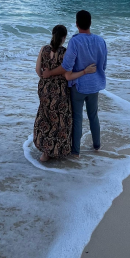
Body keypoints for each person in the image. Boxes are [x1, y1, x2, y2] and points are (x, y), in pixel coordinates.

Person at [42, 10, 107, 158]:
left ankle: (76, 152)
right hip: (94, 85)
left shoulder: (75, 41)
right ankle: (97, 146)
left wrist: (50, 73)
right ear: (90, 23)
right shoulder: (101, 41)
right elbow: (103, 66)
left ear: (76, 24)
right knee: (93, 116)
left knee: (77, 118)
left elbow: (66, 67)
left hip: (78, 86)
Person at [34, 25, 96, 162]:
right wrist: (85, 71)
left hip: (44, 89)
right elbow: (69, 76)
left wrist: (46, 77)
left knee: (46, 118)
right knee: (60, 121)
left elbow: (38, 71)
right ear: (64, 38)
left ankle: (45, 153)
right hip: (60, 91)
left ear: (52, 35)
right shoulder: (65, 53)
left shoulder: (43, 49)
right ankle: (57, 151)